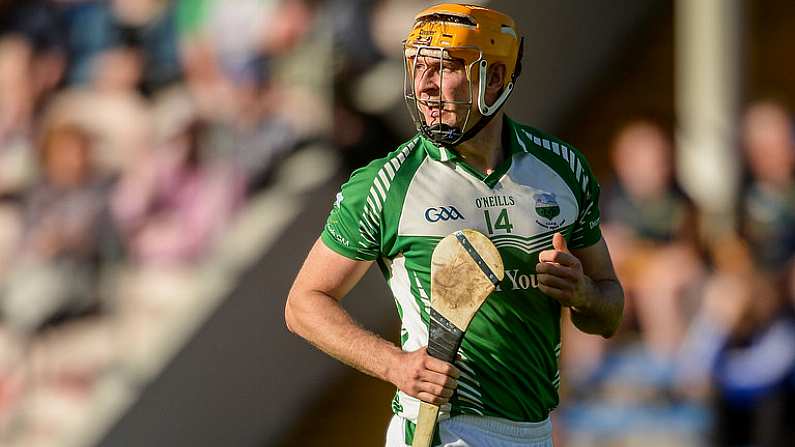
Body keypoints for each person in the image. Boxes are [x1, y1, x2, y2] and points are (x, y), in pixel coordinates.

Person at [285, 4, 623, 446]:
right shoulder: (386, 184)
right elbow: (303, 304)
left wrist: (583, 295)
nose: (424, 86)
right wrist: (394, 365)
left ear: (496, 78)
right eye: (416, 67)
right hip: (443, 430)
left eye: (443, 69)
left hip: (535, 431)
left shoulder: (562, 168)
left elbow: (610, 310)